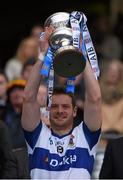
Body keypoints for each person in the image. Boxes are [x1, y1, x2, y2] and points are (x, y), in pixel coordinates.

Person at [21, 27, 102, 179]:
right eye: (55, 106)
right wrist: (42, 55)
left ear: (75, 111)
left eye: (65, 106)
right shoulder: (37, 136)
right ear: (48, 109)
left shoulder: (85, 136)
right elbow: (28, 98)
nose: (59, 110)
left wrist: (80, 56)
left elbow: (95, 99)